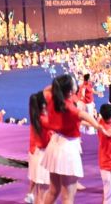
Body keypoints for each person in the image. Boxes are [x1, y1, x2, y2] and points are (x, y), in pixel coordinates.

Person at [42, 73, 100, 204]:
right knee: (68, 196)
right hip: (67, 149)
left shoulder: (52, 99)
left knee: (53, 190)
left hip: (55, 144)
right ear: (69, 91)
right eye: (74, 83)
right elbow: (83, 115)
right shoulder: (69, 106)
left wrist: (57, 84)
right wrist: (98, 126)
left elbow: (46, 90)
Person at [27, 91, 51, 204]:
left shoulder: (36, 117)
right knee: (43, 192)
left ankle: (31, 195)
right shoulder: (44, 120)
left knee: (40, 192)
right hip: (41, 155)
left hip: (35, 153)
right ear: (43, 105)